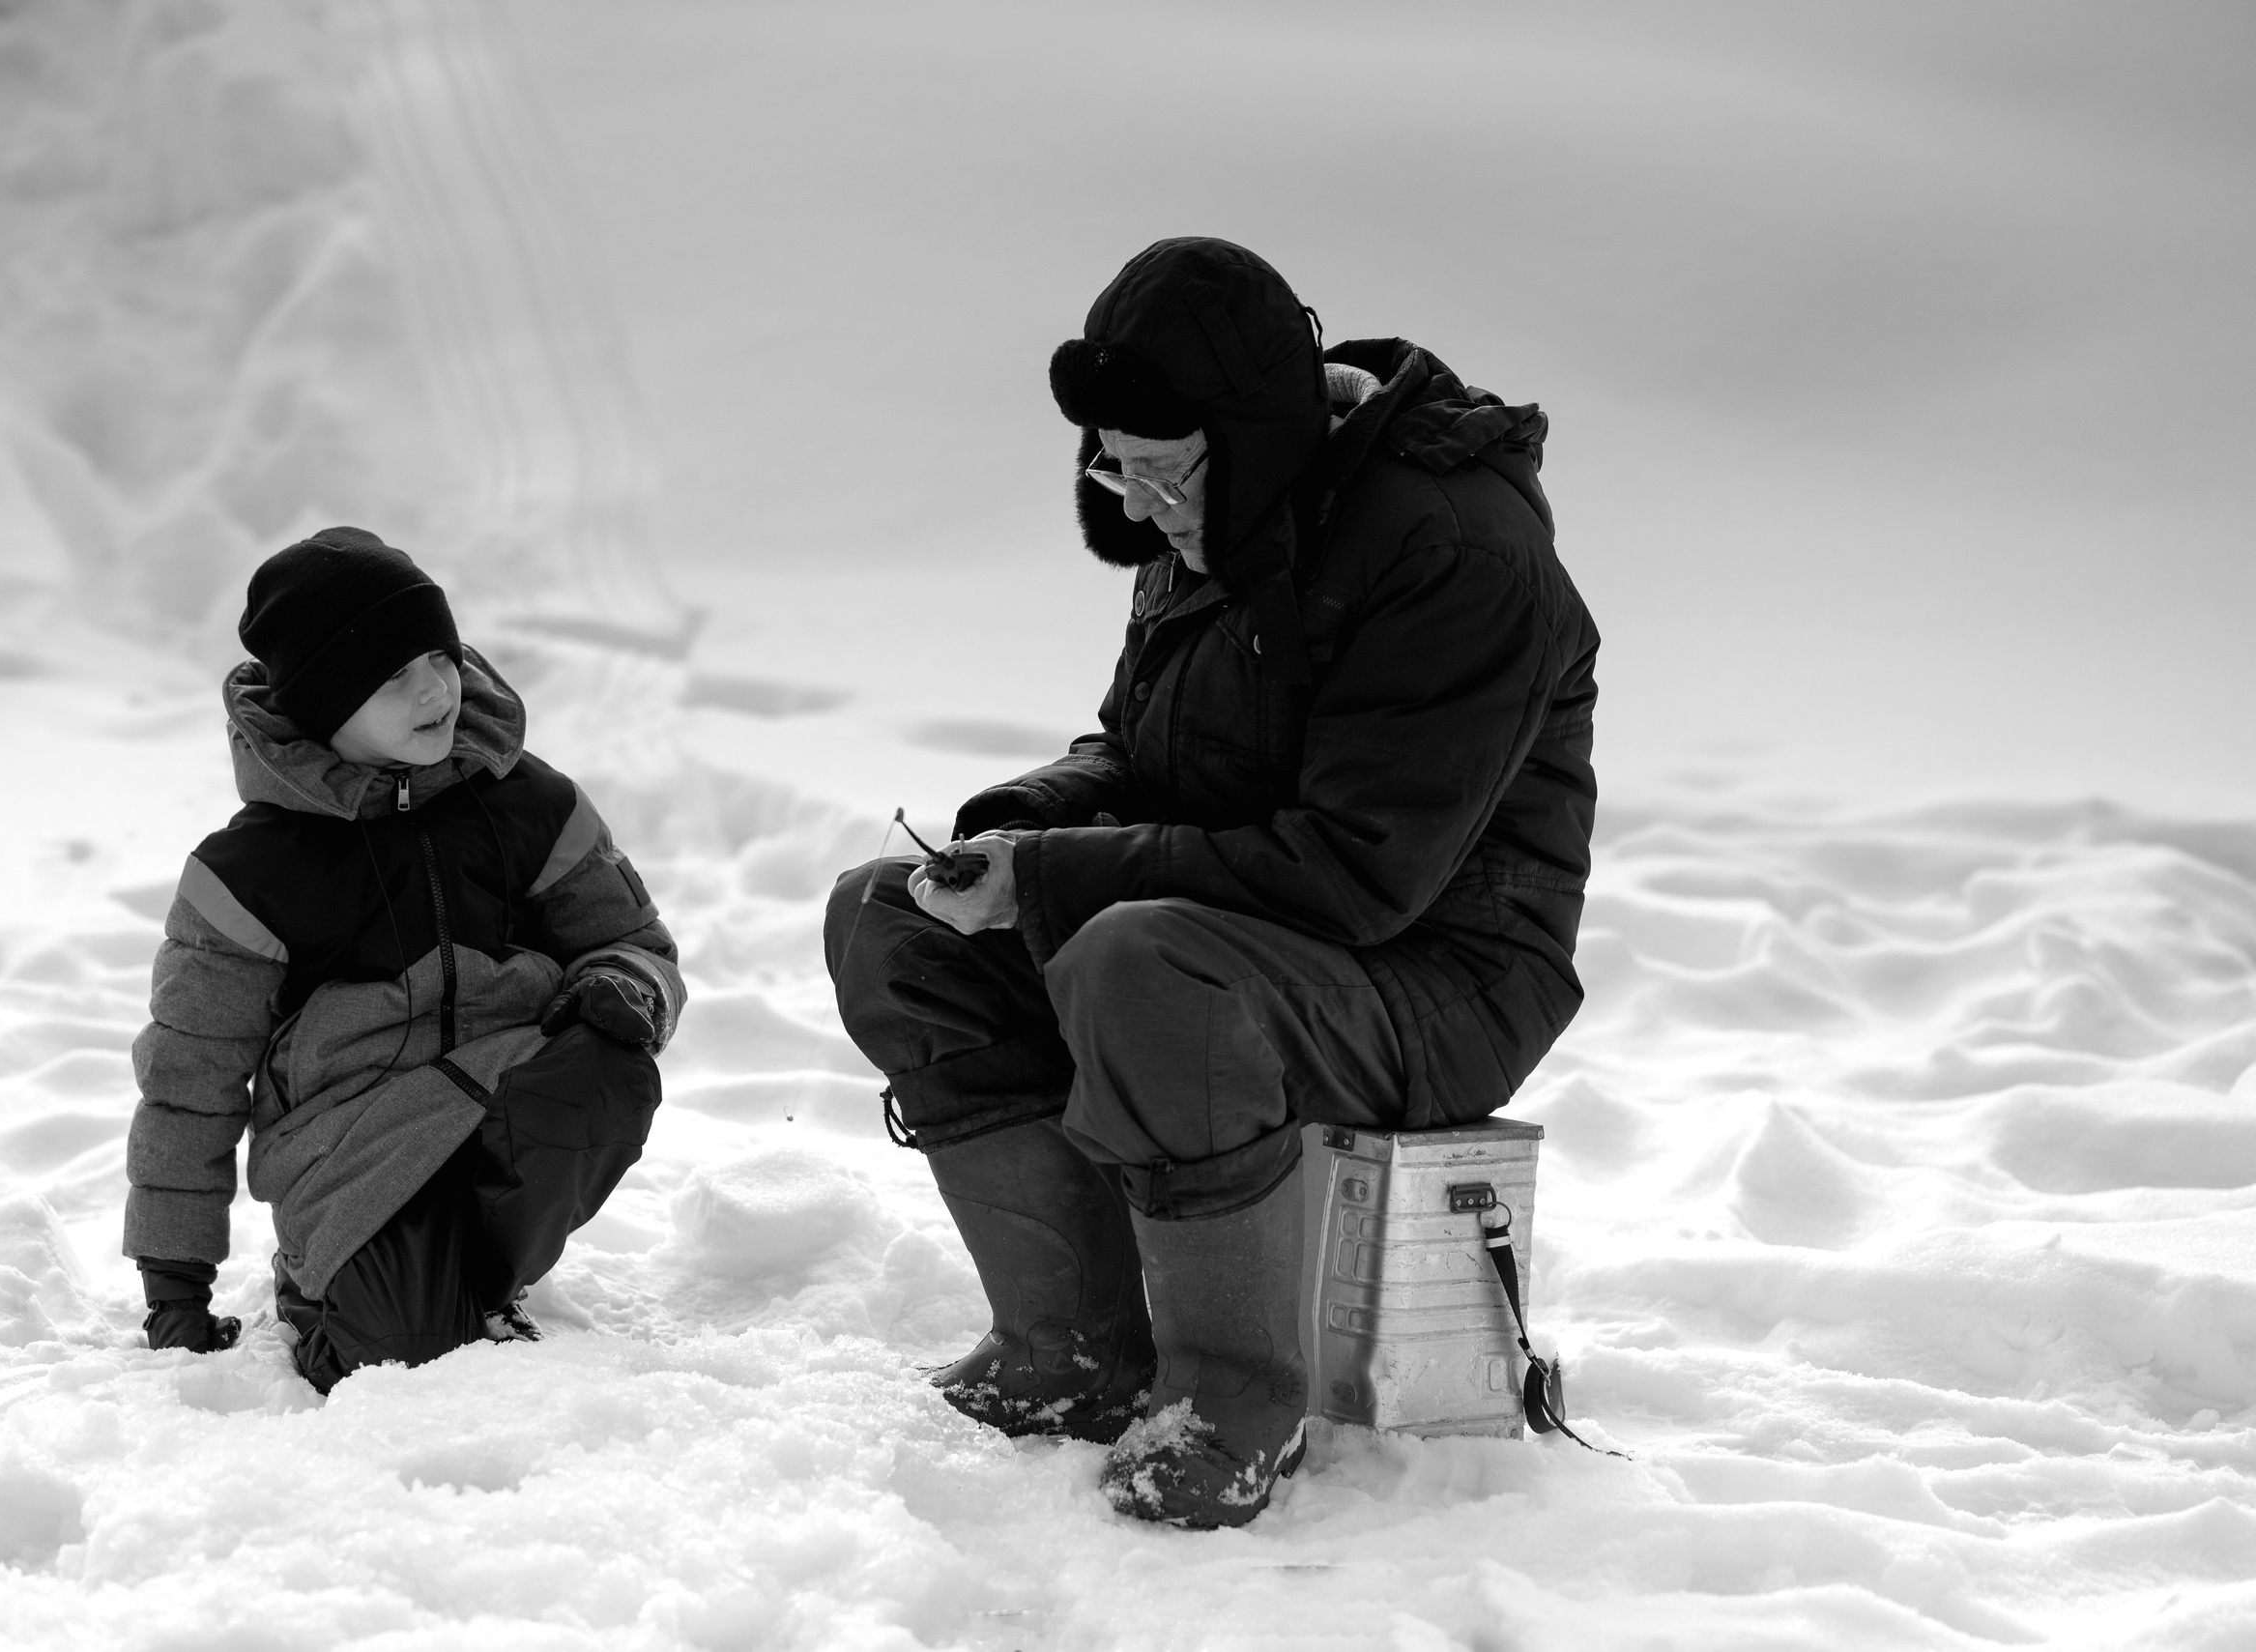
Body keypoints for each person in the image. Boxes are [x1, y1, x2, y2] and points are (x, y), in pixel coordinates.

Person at [825, 238, 1600, 1527]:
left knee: (1143, 965)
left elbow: (1359, 873)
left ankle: (1230, 1401)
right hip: (1250, 936)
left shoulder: (1454, 551)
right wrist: (1013, 832)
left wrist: (1055, 882)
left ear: (1247, 433)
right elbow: (1144, 756)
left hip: (1445, 971)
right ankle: (1070, 1350)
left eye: (1158, 471)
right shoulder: (1214, 503)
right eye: (1109, 468)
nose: (1135, 503)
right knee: (888, 924)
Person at [123, 528, 683, 1392]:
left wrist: (625, 988)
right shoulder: (250, 876)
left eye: (439, 654)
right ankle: (335, 1301)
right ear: (322, 705)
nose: (434, 688)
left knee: (606, 1067)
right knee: (405, 1360)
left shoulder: (529, 803)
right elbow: (188, 1079)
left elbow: (634, 942)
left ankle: (481, 1282)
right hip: (355, 1156)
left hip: (502, 1099)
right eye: (390, 675)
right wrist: (174, 1283)